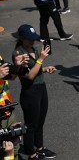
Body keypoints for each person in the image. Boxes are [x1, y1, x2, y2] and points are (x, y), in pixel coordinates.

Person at [13, 24, 57, 160]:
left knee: (40, 121)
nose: (33, 41)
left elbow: (36, 69)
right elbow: (29, 76)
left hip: (41, 88)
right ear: (21, 38)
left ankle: (40, 148)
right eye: (29, 39)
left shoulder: (32, 48)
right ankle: (31, 153)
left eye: (34, 38)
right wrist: (41, 59)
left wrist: (45, 68)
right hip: (30, 92)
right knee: (31, 124)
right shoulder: (19, 54)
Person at [0, 53, 29, 160]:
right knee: (4, 152)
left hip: (6, 112)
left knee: (14, 148)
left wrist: (16, 67)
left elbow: (8, 77)